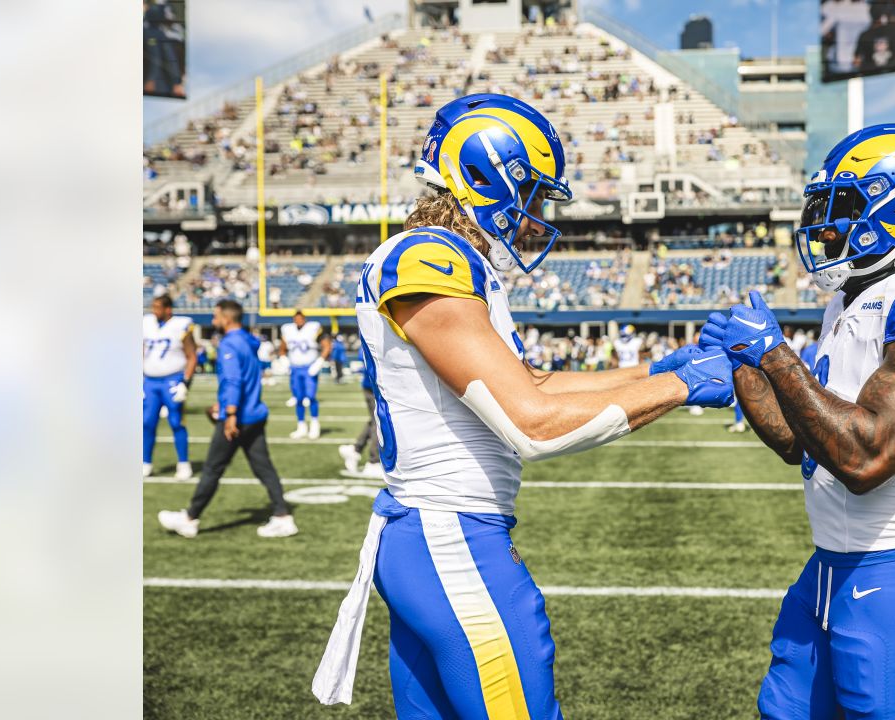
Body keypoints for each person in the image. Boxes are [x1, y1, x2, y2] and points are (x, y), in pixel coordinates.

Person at [311, 93, 734, 717]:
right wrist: (685, 386)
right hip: (451, 536)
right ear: (483, 177)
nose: (536, 215)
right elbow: (531, 425)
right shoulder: (429, 258)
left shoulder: (457, 261)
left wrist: (658, 367)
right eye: (532, 194)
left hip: (431, 535)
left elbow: (533, 382)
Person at [703, 124, 895, 719]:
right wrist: (745, 370)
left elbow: (866, 459)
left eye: (843, 205)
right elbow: (802, 443)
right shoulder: (849, 298)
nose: (825, 224)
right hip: (828, 566)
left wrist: (776, 357)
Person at [157, 299, 297, 539]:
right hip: (253, 413)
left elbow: (233, 381)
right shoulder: (247, 340)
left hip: (239, 417)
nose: (213, 321)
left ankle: (190, 518)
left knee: (212, 468)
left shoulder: (230, 343)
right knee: (264, 468)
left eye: (215, 316)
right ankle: (283, 516)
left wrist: (230, 413)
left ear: (226, 317)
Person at [143, 294, 197, 479]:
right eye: (153, 306)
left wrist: (186, 383)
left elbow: (192, 356)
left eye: (158, 307)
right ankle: (145, 462)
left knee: (176, 422)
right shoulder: (146, 323)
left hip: (172, 379)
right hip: (150, 381)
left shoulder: (180, 325)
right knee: (146, 422)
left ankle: (183, 463)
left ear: (168, 309)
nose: (154, 310)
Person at [279, 310, 332, 439]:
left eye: (301, 318)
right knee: (298, 398)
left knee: (310, 397)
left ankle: (314, 424)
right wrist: (283, 359)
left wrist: (319, 362)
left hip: (309, 367)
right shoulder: (287, 329)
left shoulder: (313, 328)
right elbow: (282, 348)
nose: (298, 320)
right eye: (296, 318)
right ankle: (301, 426)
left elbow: (327, 346)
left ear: (305, 319)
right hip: (295, 368)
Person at [338, 369, 382, 478]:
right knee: (379, 421)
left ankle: (355, 449)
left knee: (376, 420)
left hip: (376, 382)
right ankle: (373, 461)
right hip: (375, 384)